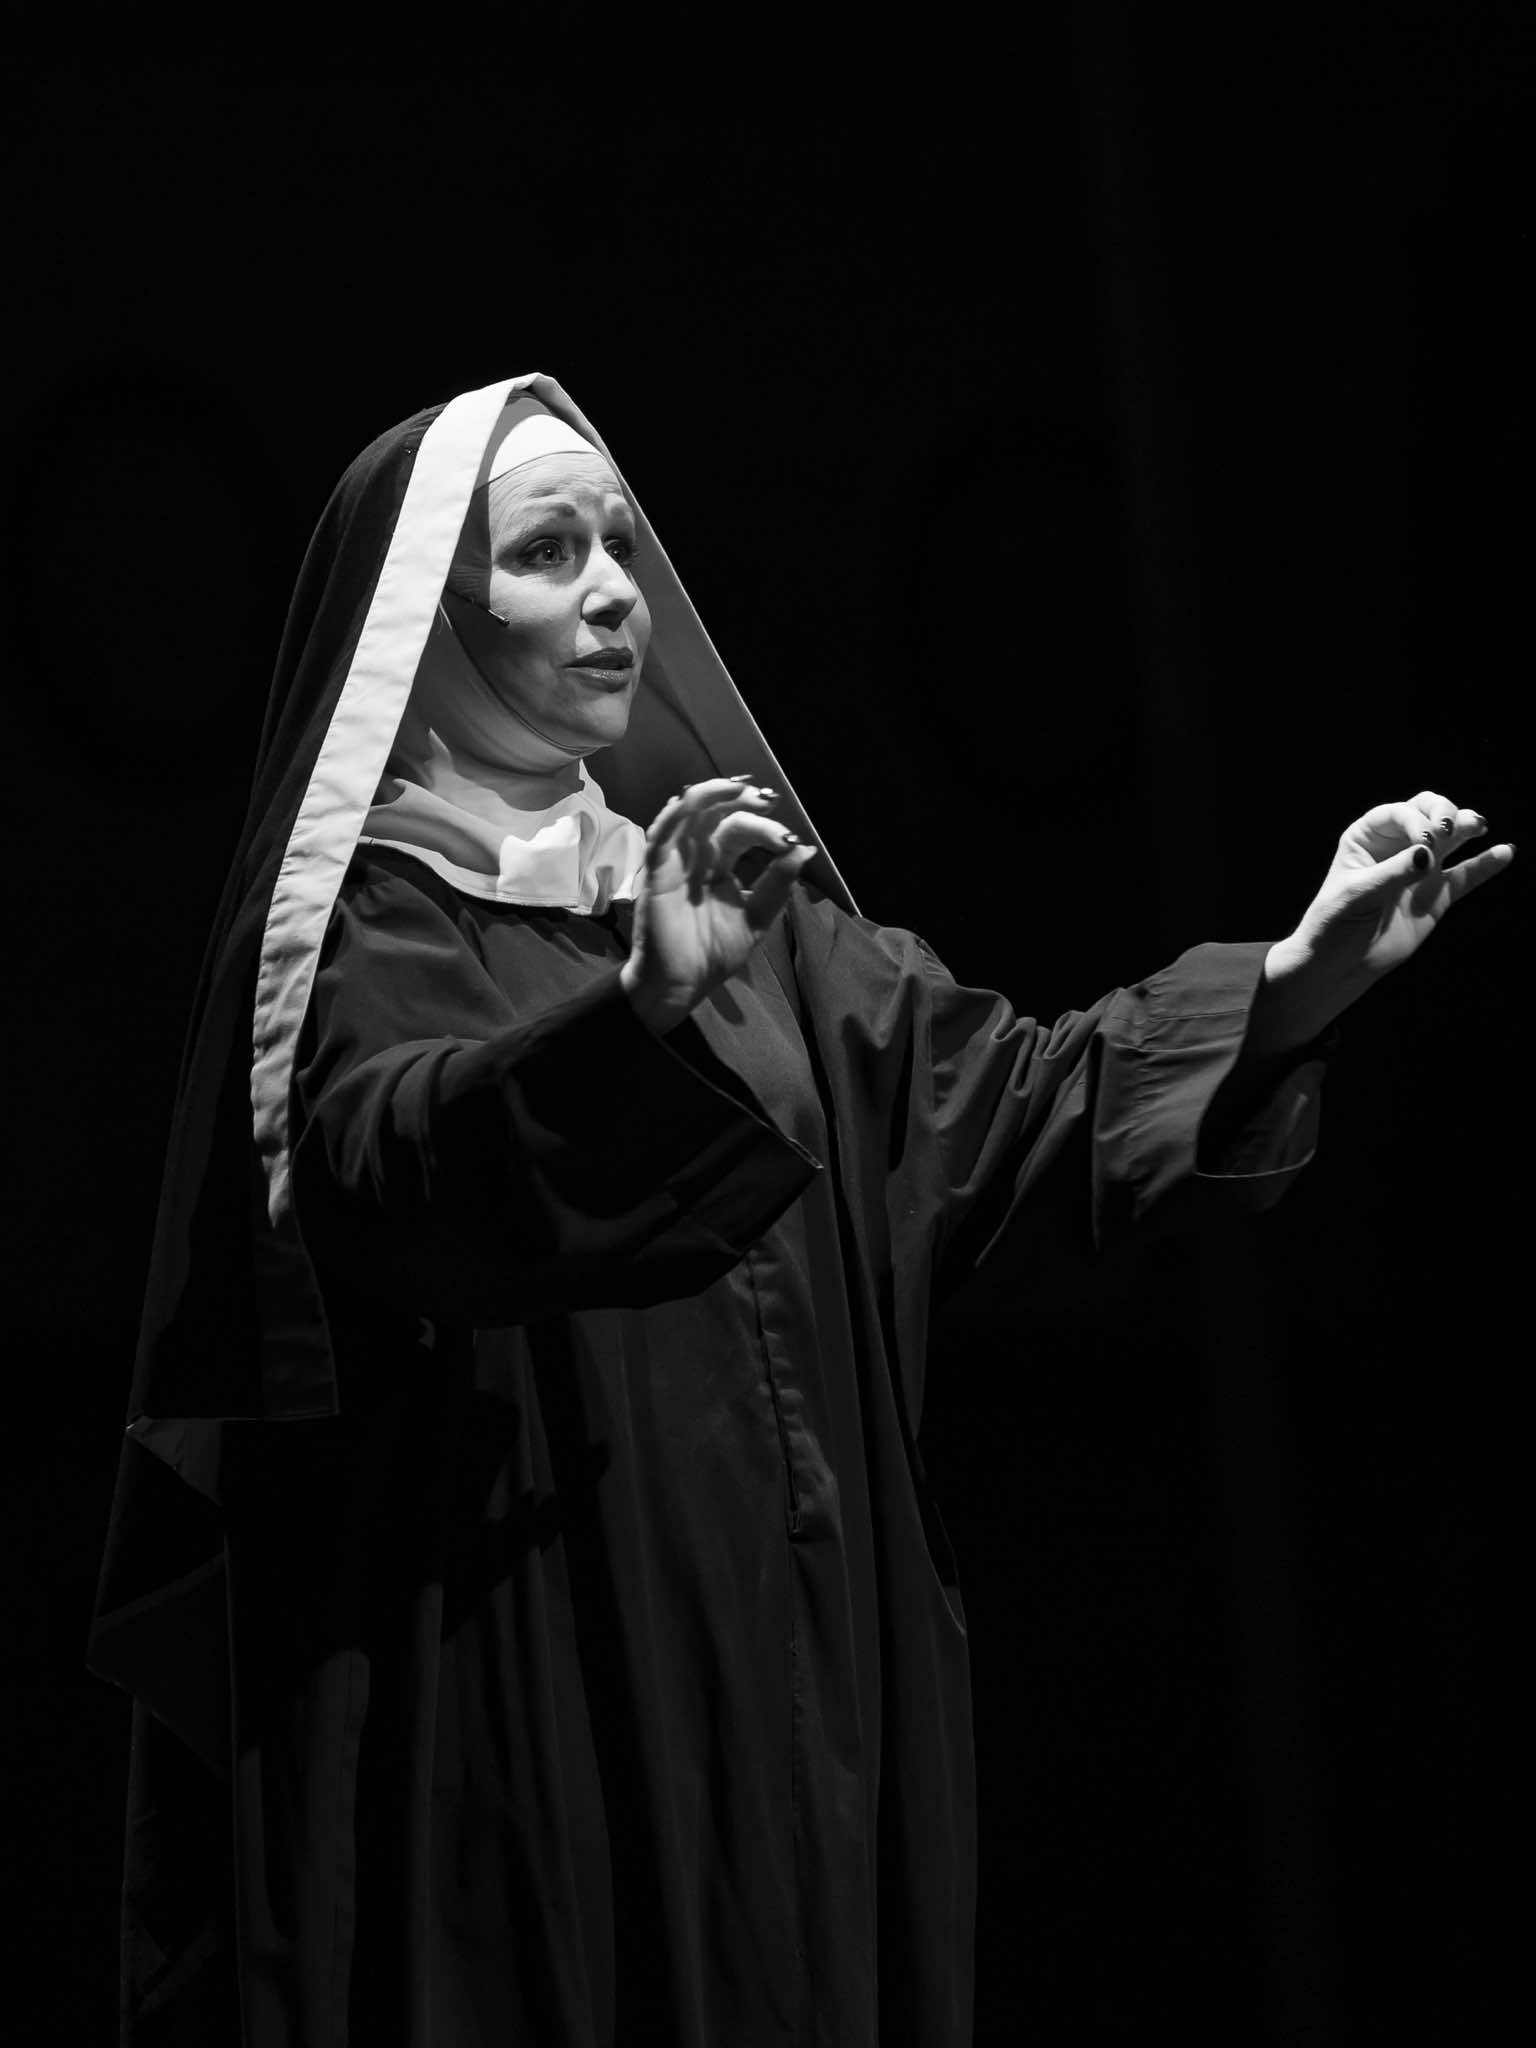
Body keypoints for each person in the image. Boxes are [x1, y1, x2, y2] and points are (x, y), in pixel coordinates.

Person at [87, 374, 1513, 2048]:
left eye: (621, 546)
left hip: (800, 1680)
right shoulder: (369, 934)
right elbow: (401, 1169)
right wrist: (635, 1019)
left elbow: (1004, 1104)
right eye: (547, 554)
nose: (614, 592)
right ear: (431, 626)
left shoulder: (740, 913)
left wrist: (1291, 986)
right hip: (539, 1676)